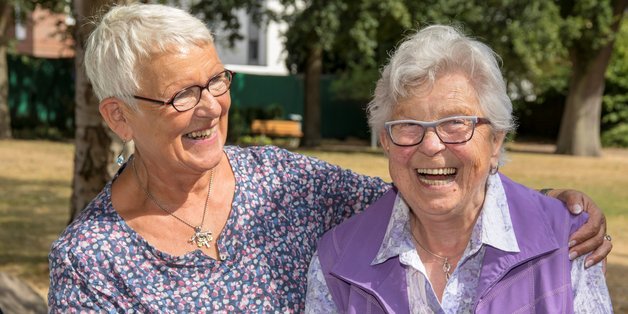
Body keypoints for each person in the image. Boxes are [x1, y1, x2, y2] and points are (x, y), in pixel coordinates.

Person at [48, 4, 610, 312]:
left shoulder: (284, 180)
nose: (210, 108)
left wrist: (549, 209)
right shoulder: (91, 261)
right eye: (180, 95)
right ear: (119, 116)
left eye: (216, 81)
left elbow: (425, 183)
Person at [305, 25, 613, 313]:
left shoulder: (568, 243)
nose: (430, 145)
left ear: (495, 139)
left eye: (455, 122)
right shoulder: (336, 262)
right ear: (386, 141)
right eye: (408, 125)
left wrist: (552, 210)